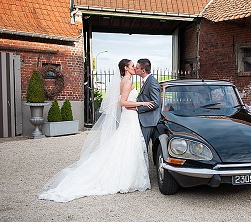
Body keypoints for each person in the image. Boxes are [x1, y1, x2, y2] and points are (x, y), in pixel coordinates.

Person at [39, 59, 154, 202]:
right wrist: (142, 103)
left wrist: (134, 106)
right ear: (126, 68)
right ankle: (125, 179)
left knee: (128, 146)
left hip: (130, 116)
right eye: (132, 66)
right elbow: (122, 103)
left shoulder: (125, 80)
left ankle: (130, 178)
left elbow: (123, 104)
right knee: (128, 145)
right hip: (129, 118)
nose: (134, 68)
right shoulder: (127, 81)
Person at [132, 58, 162, 144]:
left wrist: (138, 109)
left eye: (137, 68)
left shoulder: (152, 82)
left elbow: (156, 103)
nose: (135, 69)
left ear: (143, 70)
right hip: (146, 120)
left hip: (149, 121)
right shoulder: (146, 81)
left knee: (143, 147)